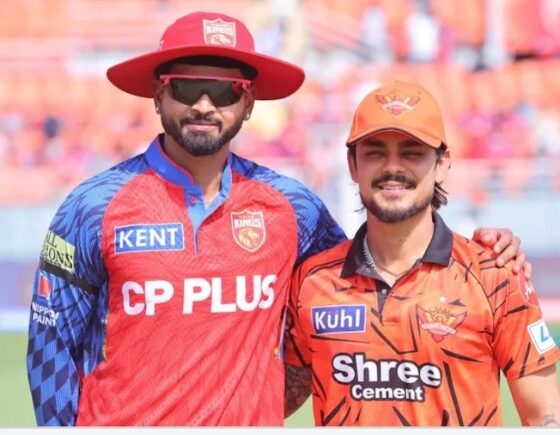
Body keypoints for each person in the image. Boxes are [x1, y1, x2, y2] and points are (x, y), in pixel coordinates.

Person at [26, 12, 527, 426]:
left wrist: (484, 251)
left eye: (225, 92)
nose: (204, 105)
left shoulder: (293, 207)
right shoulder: (91, 206)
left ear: (248, 103)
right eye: (187, 87)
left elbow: (371, 268)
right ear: (158, 94)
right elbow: (50, 352)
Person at [283, 81, 560, 426]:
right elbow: (270, 401)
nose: (392, 167)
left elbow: (545, 418)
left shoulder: (496, 275)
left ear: (442, 163)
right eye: (375, 152)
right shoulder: (312, 281)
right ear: (353, 165)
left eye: (412, 152)